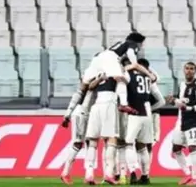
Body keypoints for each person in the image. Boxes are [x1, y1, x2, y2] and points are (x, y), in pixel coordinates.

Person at [84, 52, 156, 185]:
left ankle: (91, 174)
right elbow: (154, 81)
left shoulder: (97, 72)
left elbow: (89, 87)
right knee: (124, 144)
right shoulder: (138, 76)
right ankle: (119, 174)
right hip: (132, 110)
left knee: (96, 143)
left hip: (98, 106)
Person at [124, 58, 165, 185]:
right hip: (147, 113)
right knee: (143, 147)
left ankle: (132, 173)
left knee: (129, 144)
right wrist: (150, 109)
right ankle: (145, 176)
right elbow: (161, 100)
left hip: (135, 112)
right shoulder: (149, 79)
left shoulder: (128, 75)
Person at [60, 73, 106, 185]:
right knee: (78, 144)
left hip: (91, 114)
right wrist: (67, 115)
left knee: (91, 144)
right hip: (81, 113)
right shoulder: (85, 88)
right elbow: (76, 99)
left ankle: (89, 175)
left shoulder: (95, 85)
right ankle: (65, 173)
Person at [167, 62, 196, 186]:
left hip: (193, 121)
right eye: (187, 68)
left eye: (192, 69)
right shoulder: (182, 85)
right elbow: (181, 102)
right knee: (176, 148)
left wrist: (186, 108)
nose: (189, 71)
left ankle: (195, 178)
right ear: (183, 70)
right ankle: (187, 174)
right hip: (180, 121)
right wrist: (174, 101)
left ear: (195, 71)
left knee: (192, 148)